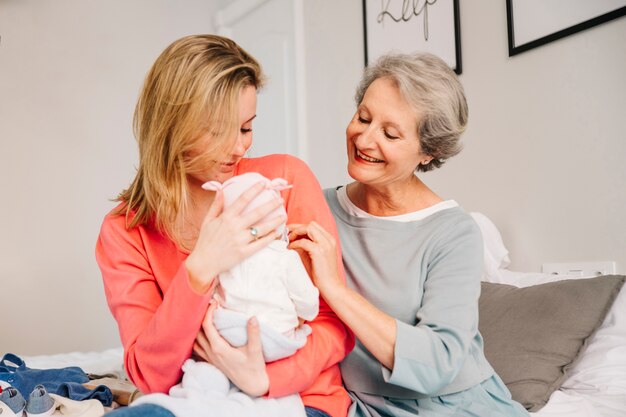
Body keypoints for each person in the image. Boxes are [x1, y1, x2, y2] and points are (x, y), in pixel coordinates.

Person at [95, 34, 353, 417]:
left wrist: (265, 381)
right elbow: (150, 374)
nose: (238, 147)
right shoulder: (125, 229)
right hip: (199, 398)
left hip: (302, 400)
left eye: (246, 128)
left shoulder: (283, 180)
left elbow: (333, 322)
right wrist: (202, 266)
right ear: (171, 127)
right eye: (218, 131)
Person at [289, 52, 530, 417]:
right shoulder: (319, 207)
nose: (365, 139)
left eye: (390, 133)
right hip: (356, 406)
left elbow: (439, 362)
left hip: (452, 407)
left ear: (427, 151)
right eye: (363, 117)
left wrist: (335, 289)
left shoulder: (453, 232)